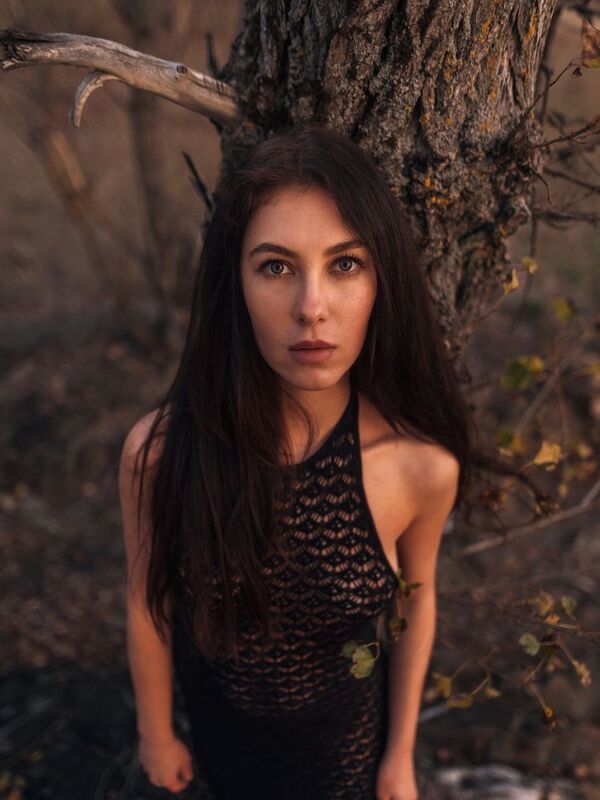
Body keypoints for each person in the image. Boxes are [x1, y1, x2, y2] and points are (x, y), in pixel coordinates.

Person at [118, 124, 476, 800]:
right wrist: (155, 731)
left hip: (344, 759)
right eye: (276, 267)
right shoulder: (160, 454)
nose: (312, 309)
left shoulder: (419, 468)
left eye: (345, 264)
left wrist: (400, 755)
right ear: (236, 282)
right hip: (217, 750)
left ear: (381, 281)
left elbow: (416, 603)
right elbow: (147, 600)